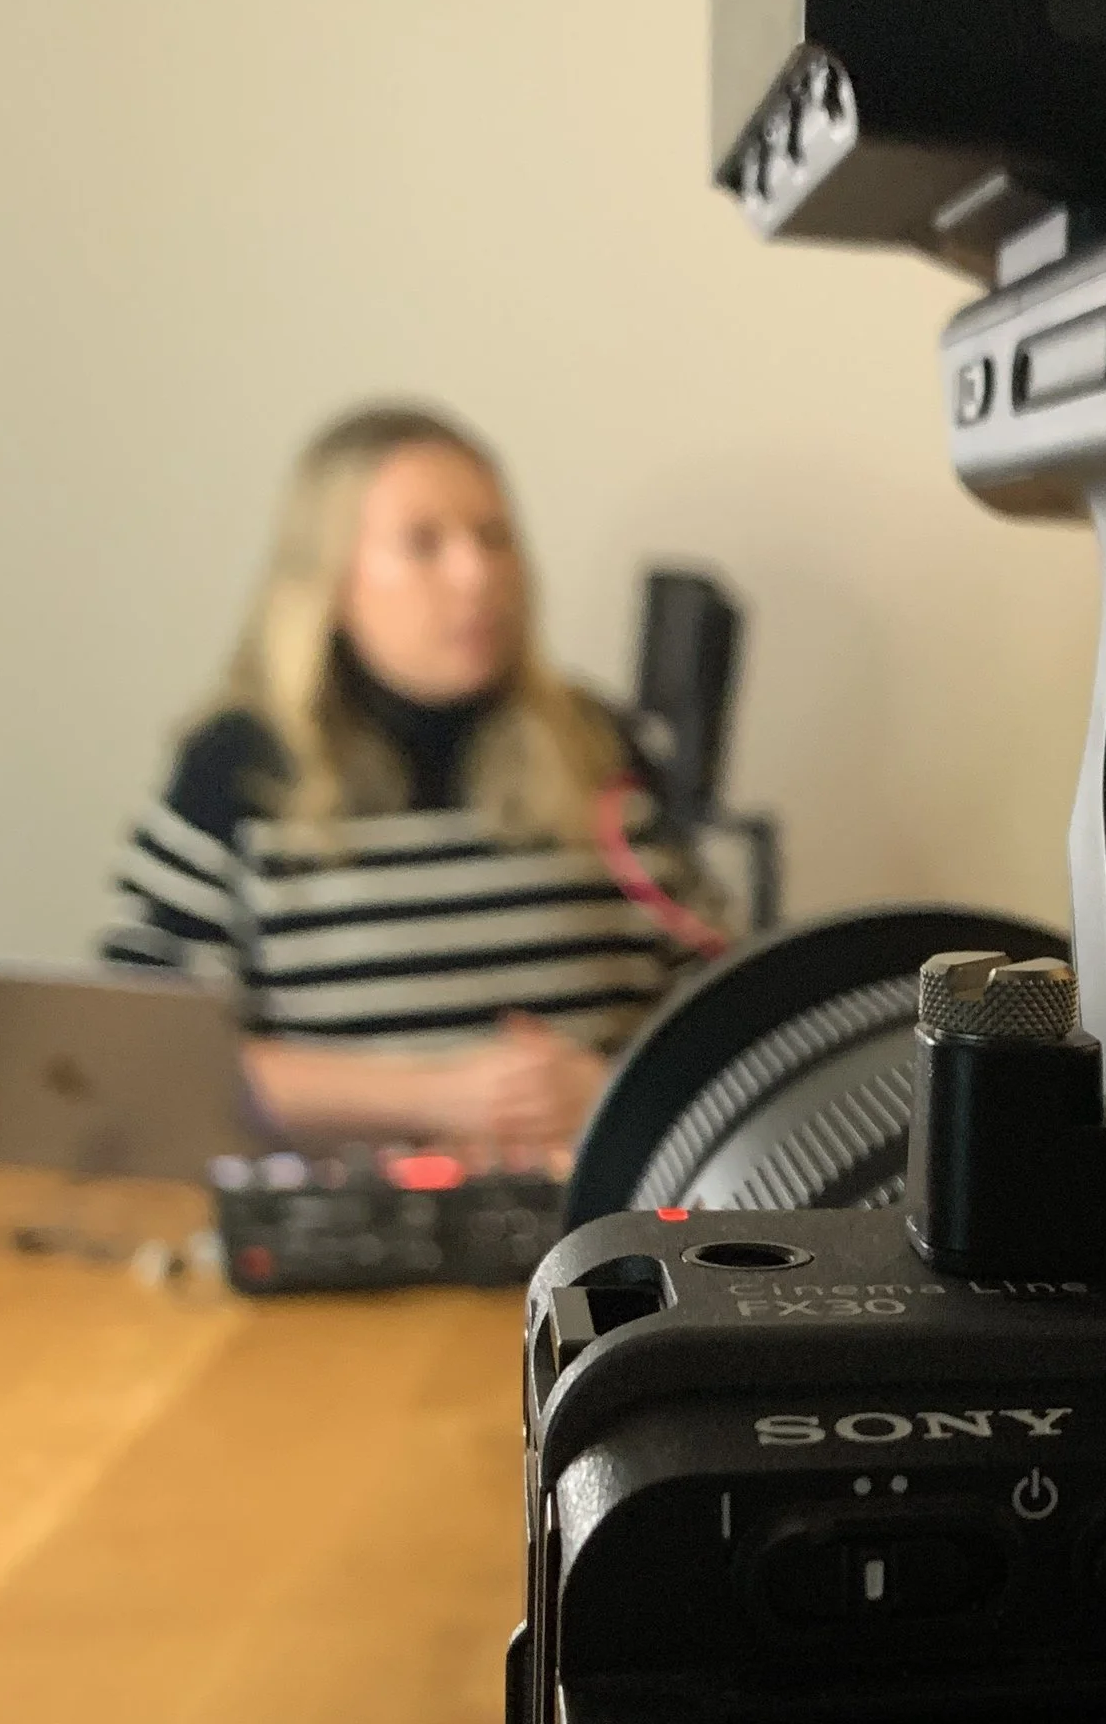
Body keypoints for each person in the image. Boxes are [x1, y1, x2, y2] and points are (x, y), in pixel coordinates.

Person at [101, 402, 707, 1165]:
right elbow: (146, 1056)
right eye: (425, 544)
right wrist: (439, 1095)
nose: (477, 574)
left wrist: (612, 1089)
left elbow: (727, 1014)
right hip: (337, 1238)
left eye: (494, 537)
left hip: (591, 1223)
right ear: (333, 578)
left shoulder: (601, 747)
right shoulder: (235, 769)